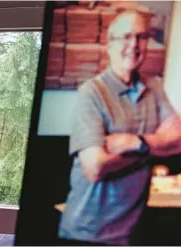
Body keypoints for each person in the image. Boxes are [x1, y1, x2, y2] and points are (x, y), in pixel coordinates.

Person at [58, 10, 181, 245]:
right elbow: (95, 167)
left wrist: (133, 143)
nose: (133, 44)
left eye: (141, 36)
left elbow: (179, 140)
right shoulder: (91, 93)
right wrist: (153, 147)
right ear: (110, 44)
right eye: (125, 37)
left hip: (133, 233)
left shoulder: (154, 86)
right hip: (87, 233)